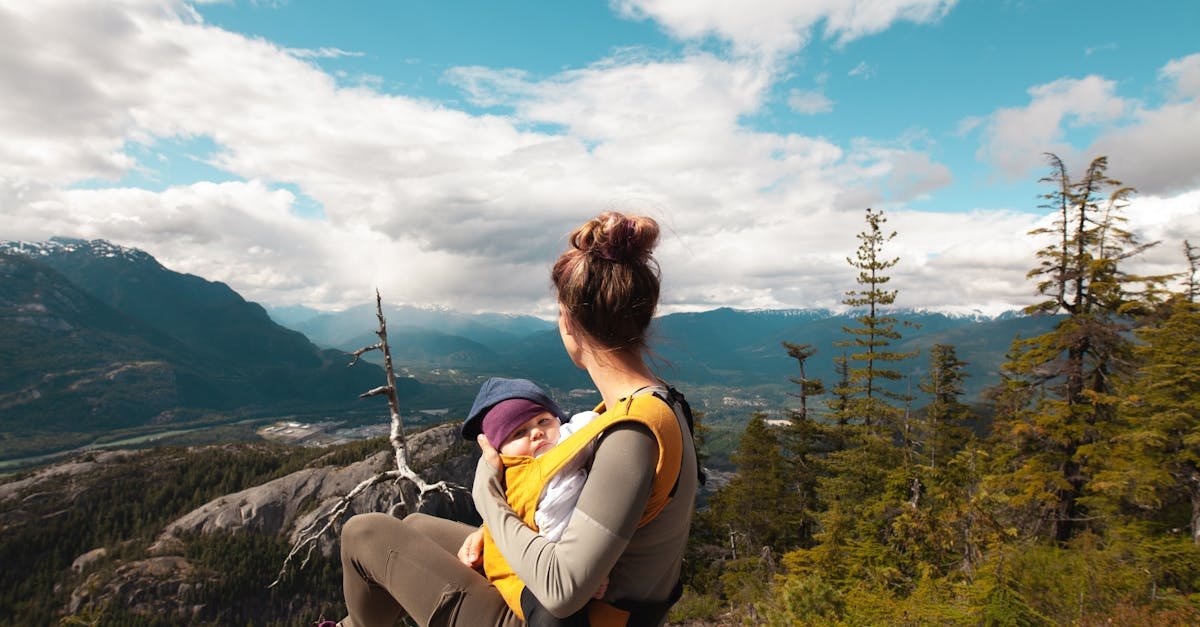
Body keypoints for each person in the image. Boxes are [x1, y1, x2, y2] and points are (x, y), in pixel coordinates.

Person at [337, 212, 699, 627]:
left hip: (558, 617)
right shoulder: (652, 406)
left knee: (363, 533)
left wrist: (487, 498)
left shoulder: (632, 434)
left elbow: (563, 591)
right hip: (574, 604)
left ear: (568, 323)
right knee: (416, 526)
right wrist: (499, 534)